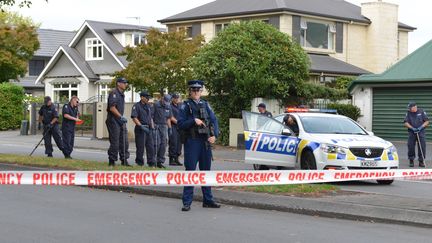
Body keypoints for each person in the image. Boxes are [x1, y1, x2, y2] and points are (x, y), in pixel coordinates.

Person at [178, 80, 220, 212]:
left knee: (206, 171)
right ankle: (187, 202)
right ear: (190, 91)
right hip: (192, 141)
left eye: (198, 90)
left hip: (205, 142)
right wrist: (193, 121)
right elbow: (180, 124)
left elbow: (214, 120)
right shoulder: (185, 106)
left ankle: (207, 200)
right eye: (194, 90)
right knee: (190, 170)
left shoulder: (206, 104)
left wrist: (215, 135)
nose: (196, 92)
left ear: (201, 91)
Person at [106, 77, 130, 167]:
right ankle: (112, 160)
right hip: (113, 120)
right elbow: (112, 108)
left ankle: (124, 160)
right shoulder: (114, 93)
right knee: (115, 142)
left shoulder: (122, 94)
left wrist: (121, 118)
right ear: (118, 84)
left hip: (120, 120)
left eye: (126, 83)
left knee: (124, 141)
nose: (125, 84)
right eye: (124, 83)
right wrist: (121, 116)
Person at [131, 91, 155, 167]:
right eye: (146, 97)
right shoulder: (136, 106)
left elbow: (150, 117)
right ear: (142, 97)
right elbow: (134, 117)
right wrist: (141, 126)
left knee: (150, 146)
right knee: (140, 147)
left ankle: (151, 162)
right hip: (141, 129)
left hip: (149, 128)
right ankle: (139, 162)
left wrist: (153, 126)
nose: (148, 98)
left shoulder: (149, 106)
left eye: (148, 97)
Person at [404, 101, 429, 167]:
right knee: (411, 146)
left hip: (421, 132)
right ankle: (411, 160)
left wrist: (421, 127)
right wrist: (412, 128)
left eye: (410, 107)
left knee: (422, 146)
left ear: (415, 107)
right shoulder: (408, 113)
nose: (409, 109)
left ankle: (421, 161)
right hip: (412, 132)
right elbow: (406, 123)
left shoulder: (422, 111)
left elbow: (427, 121)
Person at [152, 94, 173, 168]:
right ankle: (153, 161)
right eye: (165, 101)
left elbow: (168, 118)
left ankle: (160, 162)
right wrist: (153, 126)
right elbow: (151, 116)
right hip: (156, 126)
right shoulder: (156, 105)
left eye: (167, 102)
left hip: (164, 126)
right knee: (157, 144)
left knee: (163, 144)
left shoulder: (168, 106)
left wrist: (170, 128)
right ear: (162, 98)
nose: (165, 103)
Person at [168, 92, 183, 166]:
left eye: (178, 98)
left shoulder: (180, 105)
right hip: (173, 126)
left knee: (179, 144)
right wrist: (178, 122)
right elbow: (170, 117)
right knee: (173, 143)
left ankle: (177, 159)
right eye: (175, 98)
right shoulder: (170, 106)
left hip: (180, 127)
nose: (177, 99)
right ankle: (171, 160)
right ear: (172, 98)